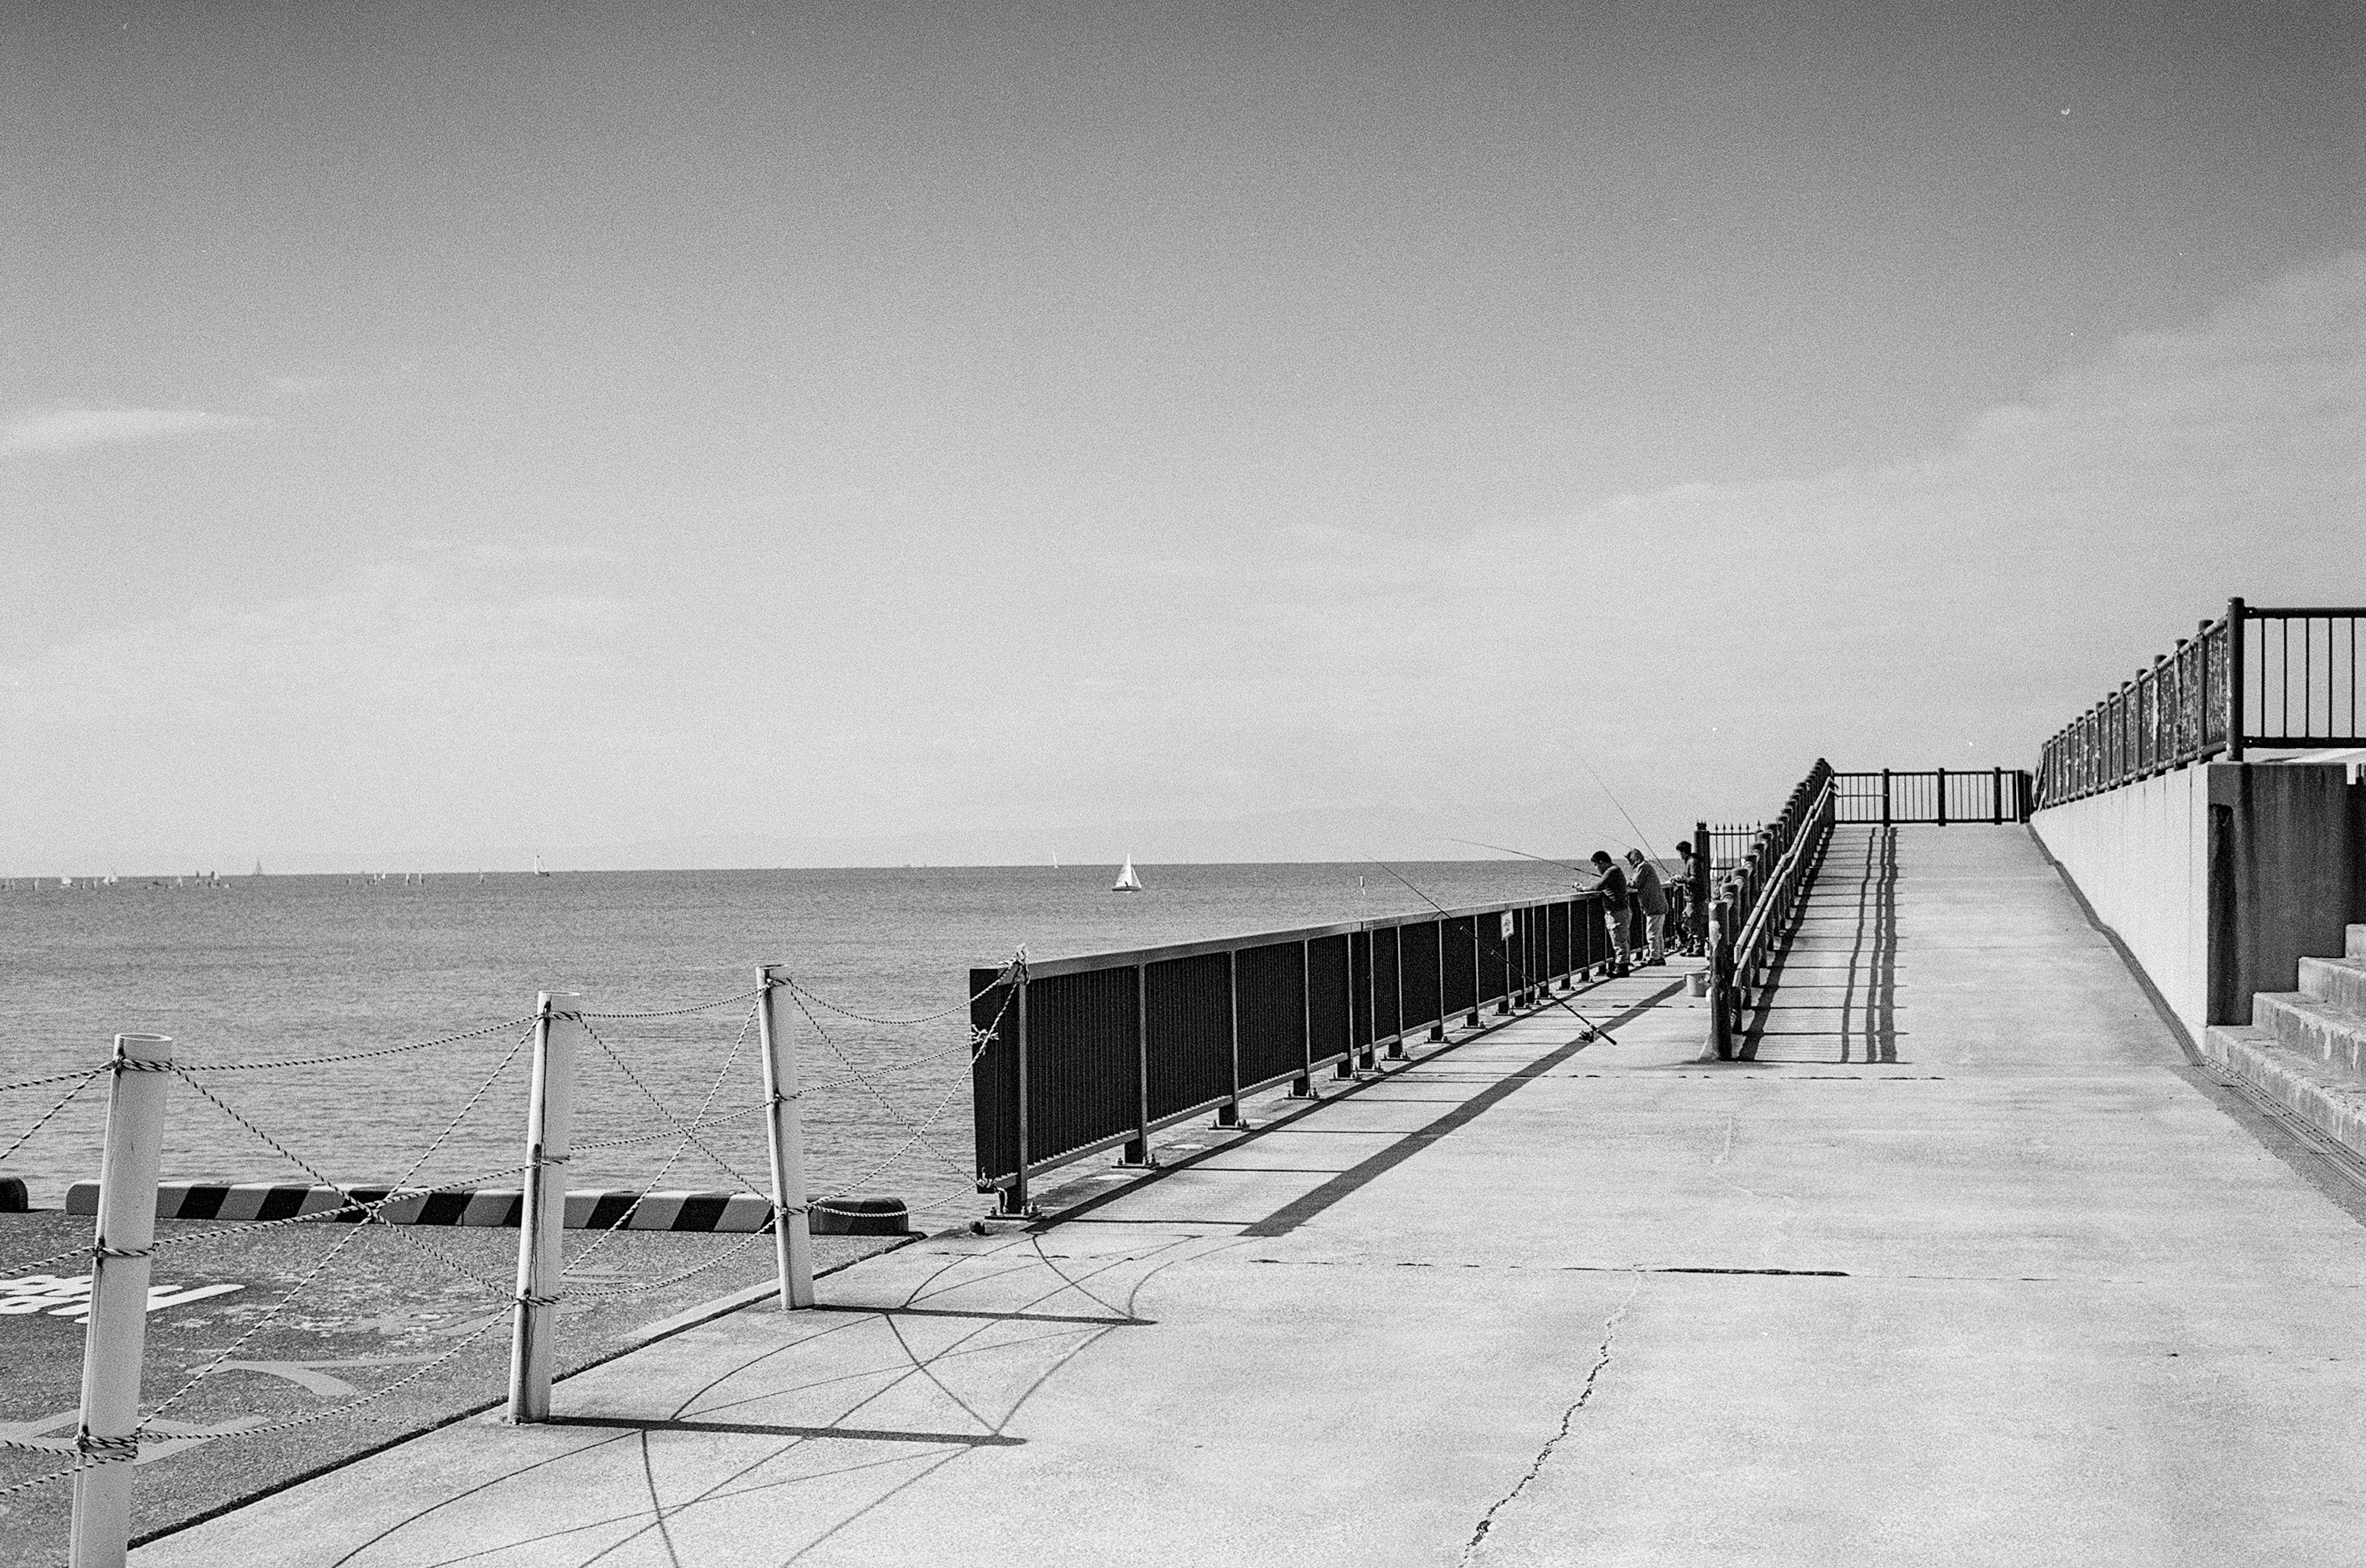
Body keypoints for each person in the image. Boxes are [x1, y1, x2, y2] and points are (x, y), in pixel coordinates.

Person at [1587, 850, 1632, 977]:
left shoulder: (1612, 871)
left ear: (1602, 862)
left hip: (1617, 911)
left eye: (1596, 865)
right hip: (1619, 910)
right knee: (1620, 939)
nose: (1597, 868)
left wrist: (1583, 888)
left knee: (1619, 940)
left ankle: (1622, 969)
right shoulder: (1615, 870)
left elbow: (1598, 887)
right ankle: (1621, 967)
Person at [1626, 848, 1667, 965]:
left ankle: (1655, 958)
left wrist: (1626, 882)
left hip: (1653, 905)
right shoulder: (1646, 866)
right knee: (1658, 933)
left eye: (1630, 860)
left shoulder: (1642, 867)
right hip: (1658, 905)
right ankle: (1659, 956)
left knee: (1652, 933)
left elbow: (1636, 884)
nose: (1630, 863)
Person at [1675, 840, 1704, 955]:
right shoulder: (1691, 861)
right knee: (1687, 922)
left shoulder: (1692, 862)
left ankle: (1698, 948)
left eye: (1680, 853)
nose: (1680, 856)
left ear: (1683, 852)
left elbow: (1695, 879)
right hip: (1691, 898)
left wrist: (1681, 879)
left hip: (1694, 898)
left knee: (1693, 923)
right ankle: (1691, 947)